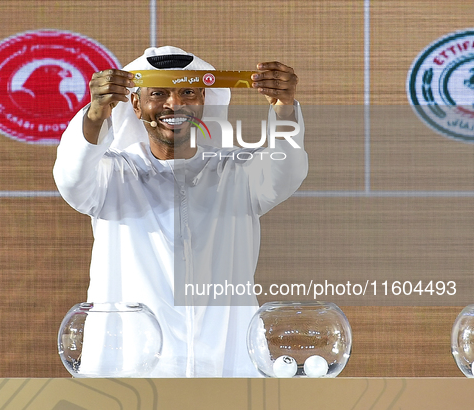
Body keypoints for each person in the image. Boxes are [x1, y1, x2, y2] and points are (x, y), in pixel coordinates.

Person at [53, 46, 308, 377]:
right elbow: (72, 177)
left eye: (187, 91)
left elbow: (286, 172)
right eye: (158, 93)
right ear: (134, 103)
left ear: (202, 100)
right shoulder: (112, 175)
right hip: (130, 371)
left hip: (225, 365)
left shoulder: (236, 172)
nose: (174, 104)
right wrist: (95, 113)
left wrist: (284, 109)